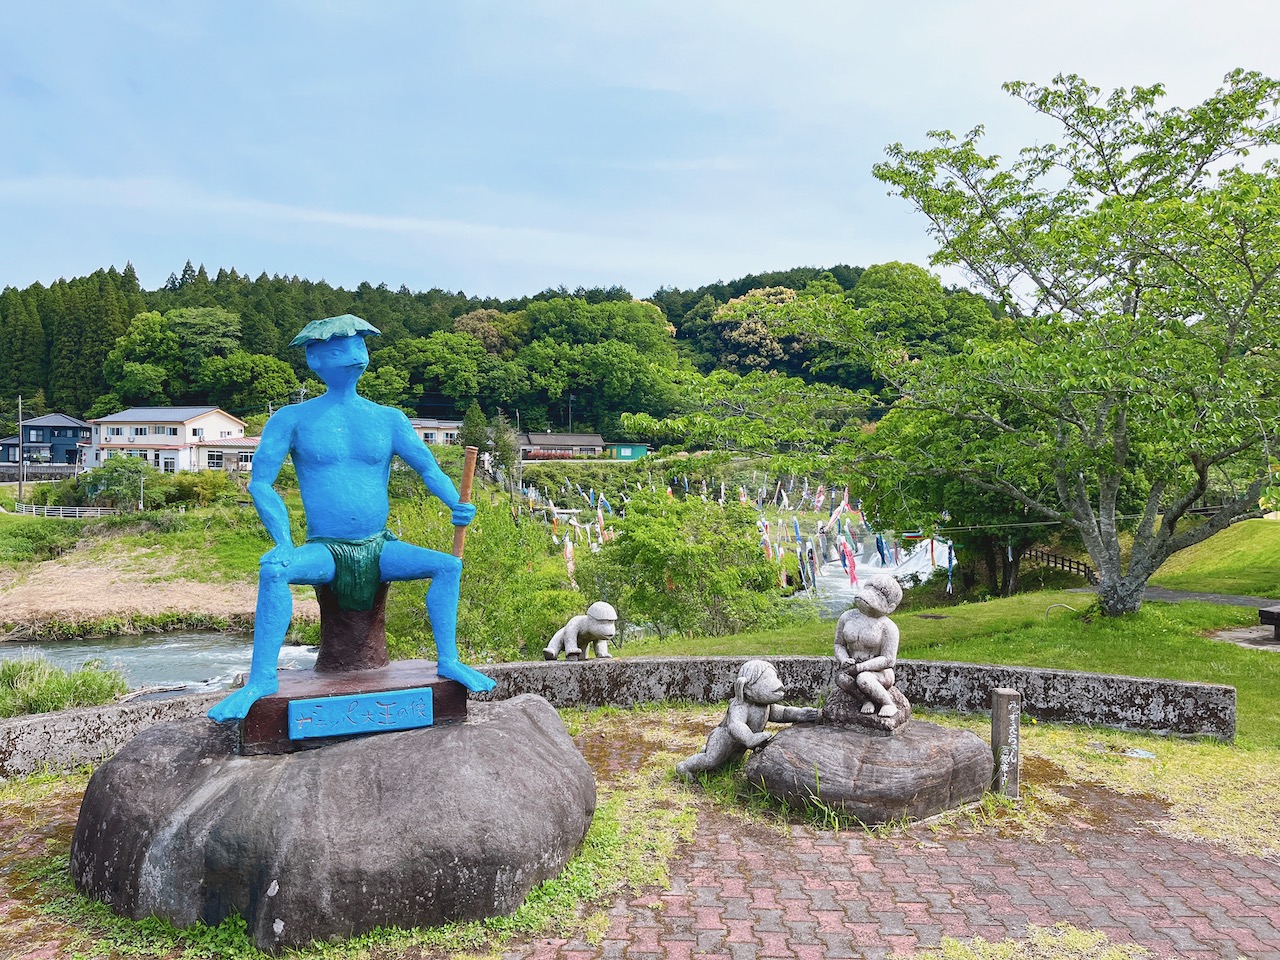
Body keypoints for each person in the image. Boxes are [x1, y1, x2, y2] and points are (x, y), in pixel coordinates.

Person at [208, 315, 494, 723]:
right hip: (324, 548)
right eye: (341, 349)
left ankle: (448, 659)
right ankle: (260, 679)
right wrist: (284, 542)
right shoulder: (291, 418)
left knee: (447, 565)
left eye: (360, 347)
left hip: (379, 546)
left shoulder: (388, 418)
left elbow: (429, 469)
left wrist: (455, 503)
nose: (355, 356)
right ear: (315, 359)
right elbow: (261, 484)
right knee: (273, 572)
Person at [832, 574, 903, 717]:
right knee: (841, 678)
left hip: (879, 673)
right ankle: (865, 700)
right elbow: (839, 644)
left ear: (890, 607)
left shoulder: (888, 627)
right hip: (852, 667)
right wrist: (844, 659)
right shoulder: (847, 617)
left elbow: (889, 660)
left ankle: (887, 703)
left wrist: (861, 667)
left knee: (864, 678)